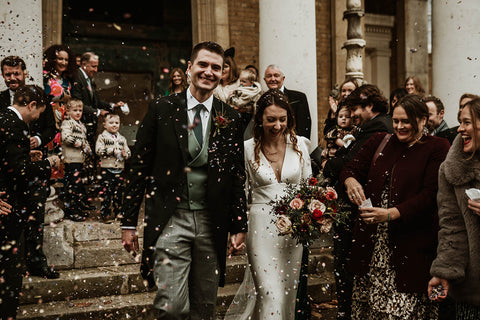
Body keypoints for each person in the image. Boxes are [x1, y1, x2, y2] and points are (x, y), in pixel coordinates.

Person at [120, 41, 248, 319]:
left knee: (205, 306)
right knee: (172, 306)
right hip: (170, 217)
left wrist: (239, 223)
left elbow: (236, 175)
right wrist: (128, 222)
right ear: (190, 68)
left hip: (211, 221)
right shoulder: (161, 109)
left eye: (216, 67)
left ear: (223, 73)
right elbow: (138, 167)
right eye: (203, 64)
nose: (209, 72)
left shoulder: (231, 118)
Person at [340, 94, 450, 319]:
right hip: (371, 250)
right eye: (396, 121)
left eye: (406, 121)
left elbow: (430, 195)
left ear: (422, 120)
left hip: (410, 249)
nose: (399, 127)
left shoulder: (437, 147)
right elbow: (349, 167)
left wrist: (391, 214)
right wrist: (350, 180)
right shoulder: (380, 141)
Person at [225, 89, 312, 319]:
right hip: (260, 228)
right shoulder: (245, 149)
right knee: (270, 294)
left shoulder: (300, 145)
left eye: (282, 119)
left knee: (287, 295)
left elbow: (309, 188)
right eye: (271, 119)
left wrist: (311, 216)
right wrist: (237, 228)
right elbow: (240, 193)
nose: (277, 125)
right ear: (259, 119)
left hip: (293, 231)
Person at [322, 84, 393, 320]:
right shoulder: (369, 130)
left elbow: (345, 164)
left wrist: (331, 165)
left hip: (358, 212)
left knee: (349, 271)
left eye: (355, 109)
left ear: (370, 106)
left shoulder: (377, 132)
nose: (351, 115)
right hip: (359, 210)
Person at [0, 85, 60, 319]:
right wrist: (48, 163)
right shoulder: (13, 124)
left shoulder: (4, 118)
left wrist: (25, 157)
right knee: (9, 271)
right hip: (8, 207)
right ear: (32, 105)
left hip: (10, 205)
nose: (36, 118)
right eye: (38, 113)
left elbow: (10, 162)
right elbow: (20, 172)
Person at [428, 97, 480, 320]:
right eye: (460, 122)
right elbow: (452, 227)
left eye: (466, 122)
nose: (460, 129)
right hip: (472, 291)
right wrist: (444, 272)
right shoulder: (451, 169)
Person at [95, 113, 131, 223]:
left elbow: (128, 151)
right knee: (106, 192)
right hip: (107, 169)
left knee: (119, 193)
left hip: (119, 169)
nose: (114, 125)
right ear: (104, 125)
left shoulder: (122, 139)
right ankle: (105, 214)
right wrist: (111, 151)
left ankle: (118, 212)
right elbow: (98, 150)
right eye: (111, 123)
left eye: (116, 123)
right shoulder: (102, 137)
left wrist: (126, 154)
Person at [60, 99, 91, 221]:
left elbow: (85, 140)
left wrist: (87, 148)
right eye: (75, 110)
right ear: (68, 111)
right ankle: (72, 211)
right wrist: (79, 143)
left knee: (78, 185)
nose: (78, 113)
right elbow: (66, 137)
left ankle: (78, 207)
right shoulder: (67, 123)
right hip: (71, 159)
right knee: (72, 186)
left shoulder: (81, 125)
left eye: (80, 110)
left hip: (79, 160)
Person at [264, 64, 311, 139]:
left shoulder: (299, 98)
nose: (272, 79)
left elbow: (304, 126)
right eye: (269, 76)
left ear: (283, 78)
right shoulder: (262, 99)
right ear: (265, 80)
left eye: (276, 75)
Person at [43, 44, 77, 130]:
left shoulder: (68, 80)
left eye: (66, 60)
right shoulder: (46, 78)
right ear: (53, 60)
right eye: (60, 59)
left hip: (65, 124)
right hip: (47, 121)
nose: (64, 62)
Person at [227, 69, 262, 139]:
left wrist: (231, 97)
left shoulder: (249, 92)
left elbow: (239, 103)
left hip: (246, 117)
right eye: (240, 81)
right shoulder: (247, 89)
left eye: (244, 81)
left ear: (251, 83)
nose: (241, 83)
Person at [321, 102, 358, 168]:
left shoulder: (354, 130)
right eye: (341, 116)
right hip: (333, 156)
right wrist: (343, 143)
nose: (343, 118)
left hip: (347, 158)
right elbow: (330, 137)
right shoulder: (335, 130)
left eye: (347, 117)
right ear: (337, 118)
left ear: (352, 119)